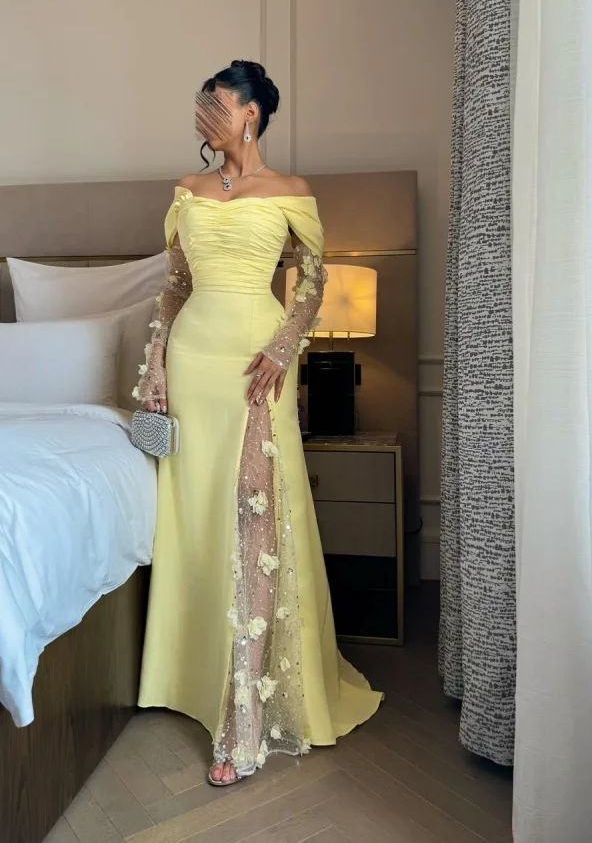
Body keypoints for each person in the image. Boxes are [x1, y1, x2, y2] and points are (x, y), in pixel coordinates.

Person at [135, 59, 382, 786]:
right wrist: (155, 367)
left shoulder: (291, 190)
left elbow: (313, 281)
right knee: (201, 520)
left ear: (251, 113)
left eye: (217, 103)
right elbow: (174, 287)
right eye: (202, 104)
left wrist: (284, 348)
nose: (204, 114)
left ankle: (244, 715)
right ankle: (194, 680)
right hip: (193, 362)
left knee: (255, 519)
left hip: (256, 366)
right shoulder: (188, 189)